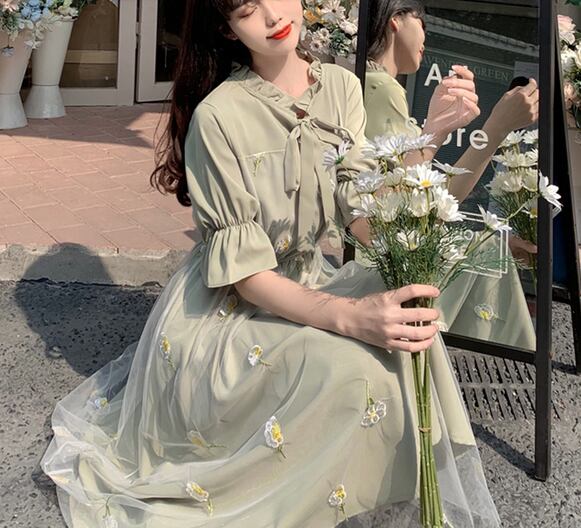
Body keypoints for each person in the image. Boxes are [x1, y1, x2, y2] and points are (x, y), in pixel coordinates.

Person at [41, 0, 501, 526]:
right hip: (229, 310)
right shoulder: (218, 117)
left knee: (408, 326)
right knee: (352, 369)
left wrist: (432, 132)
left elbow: (366, 218)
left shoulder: (341, 87)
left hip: (308, 280)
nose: (271, 16)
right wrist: (351, 316)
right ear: (227, 28)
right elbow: (247, 278)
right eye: (245, 9)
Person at [361, 0, 538, 346]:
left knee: (490, 248)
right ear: (396, 19)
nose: (426, 37)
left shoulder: (378, 86)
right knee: (489, 254)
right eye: (422, 23)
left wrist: (485, 130)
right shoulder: (380, 87)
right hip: (384, 267)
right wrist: (495, 127)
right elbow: (402, 207)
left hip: (390, 253)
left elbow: (438, 199)